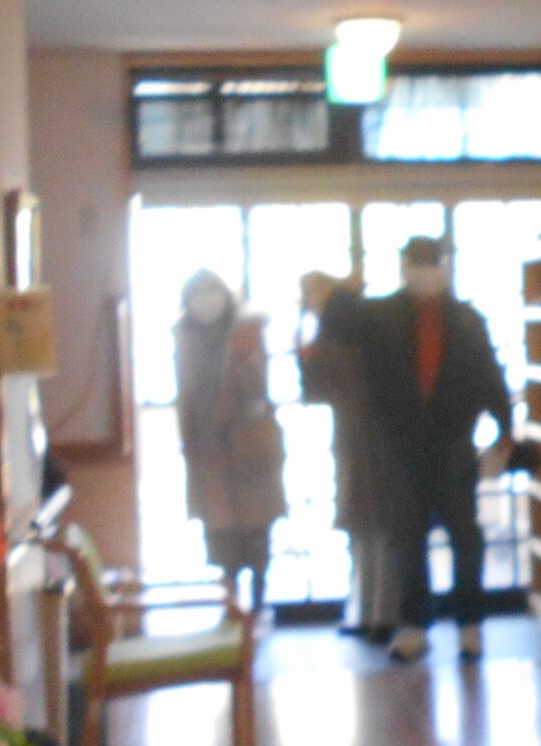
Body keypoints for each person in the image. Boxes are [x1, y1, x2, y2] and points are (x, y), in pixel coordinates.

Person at [321, 236, 512, 662]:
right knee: (406, 537)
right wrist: (344, 292)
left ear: (444, 267)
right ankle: (414, 625)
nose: (425, 270)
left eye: (432, 262)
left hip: (454, 442)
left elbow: (489, 373)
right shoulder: (380, 314)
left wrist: (505, 426)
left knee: (465, 535)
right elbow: (336, 326)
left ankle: (470, 624)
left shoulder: (467, 319)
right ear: (404, 267)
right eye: (418, 262)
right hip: (399, 442)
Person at [172, 269, 285, 616]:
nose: (206, 300)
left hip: (250, 445)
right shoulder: (184, 337)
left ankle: (260, 600)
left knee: (256, 526)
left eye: (212, 291)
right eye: (198, 293)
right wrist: (192, 441)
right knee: (221, 531)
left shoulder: (246, 331)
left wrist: (245, 358)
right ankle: (230, 599)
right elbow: (186, 395)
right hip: (207, 448)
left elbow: (258, 387)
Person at [299, 270, 399, 642]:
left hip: (364, 445)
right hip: (368, 445)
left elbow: (316, 391)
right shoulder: (360, 337)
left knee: (371, 531)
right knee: (373, 532)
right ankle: (373, 613)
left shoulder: (337, 343)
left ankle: (375, 614)